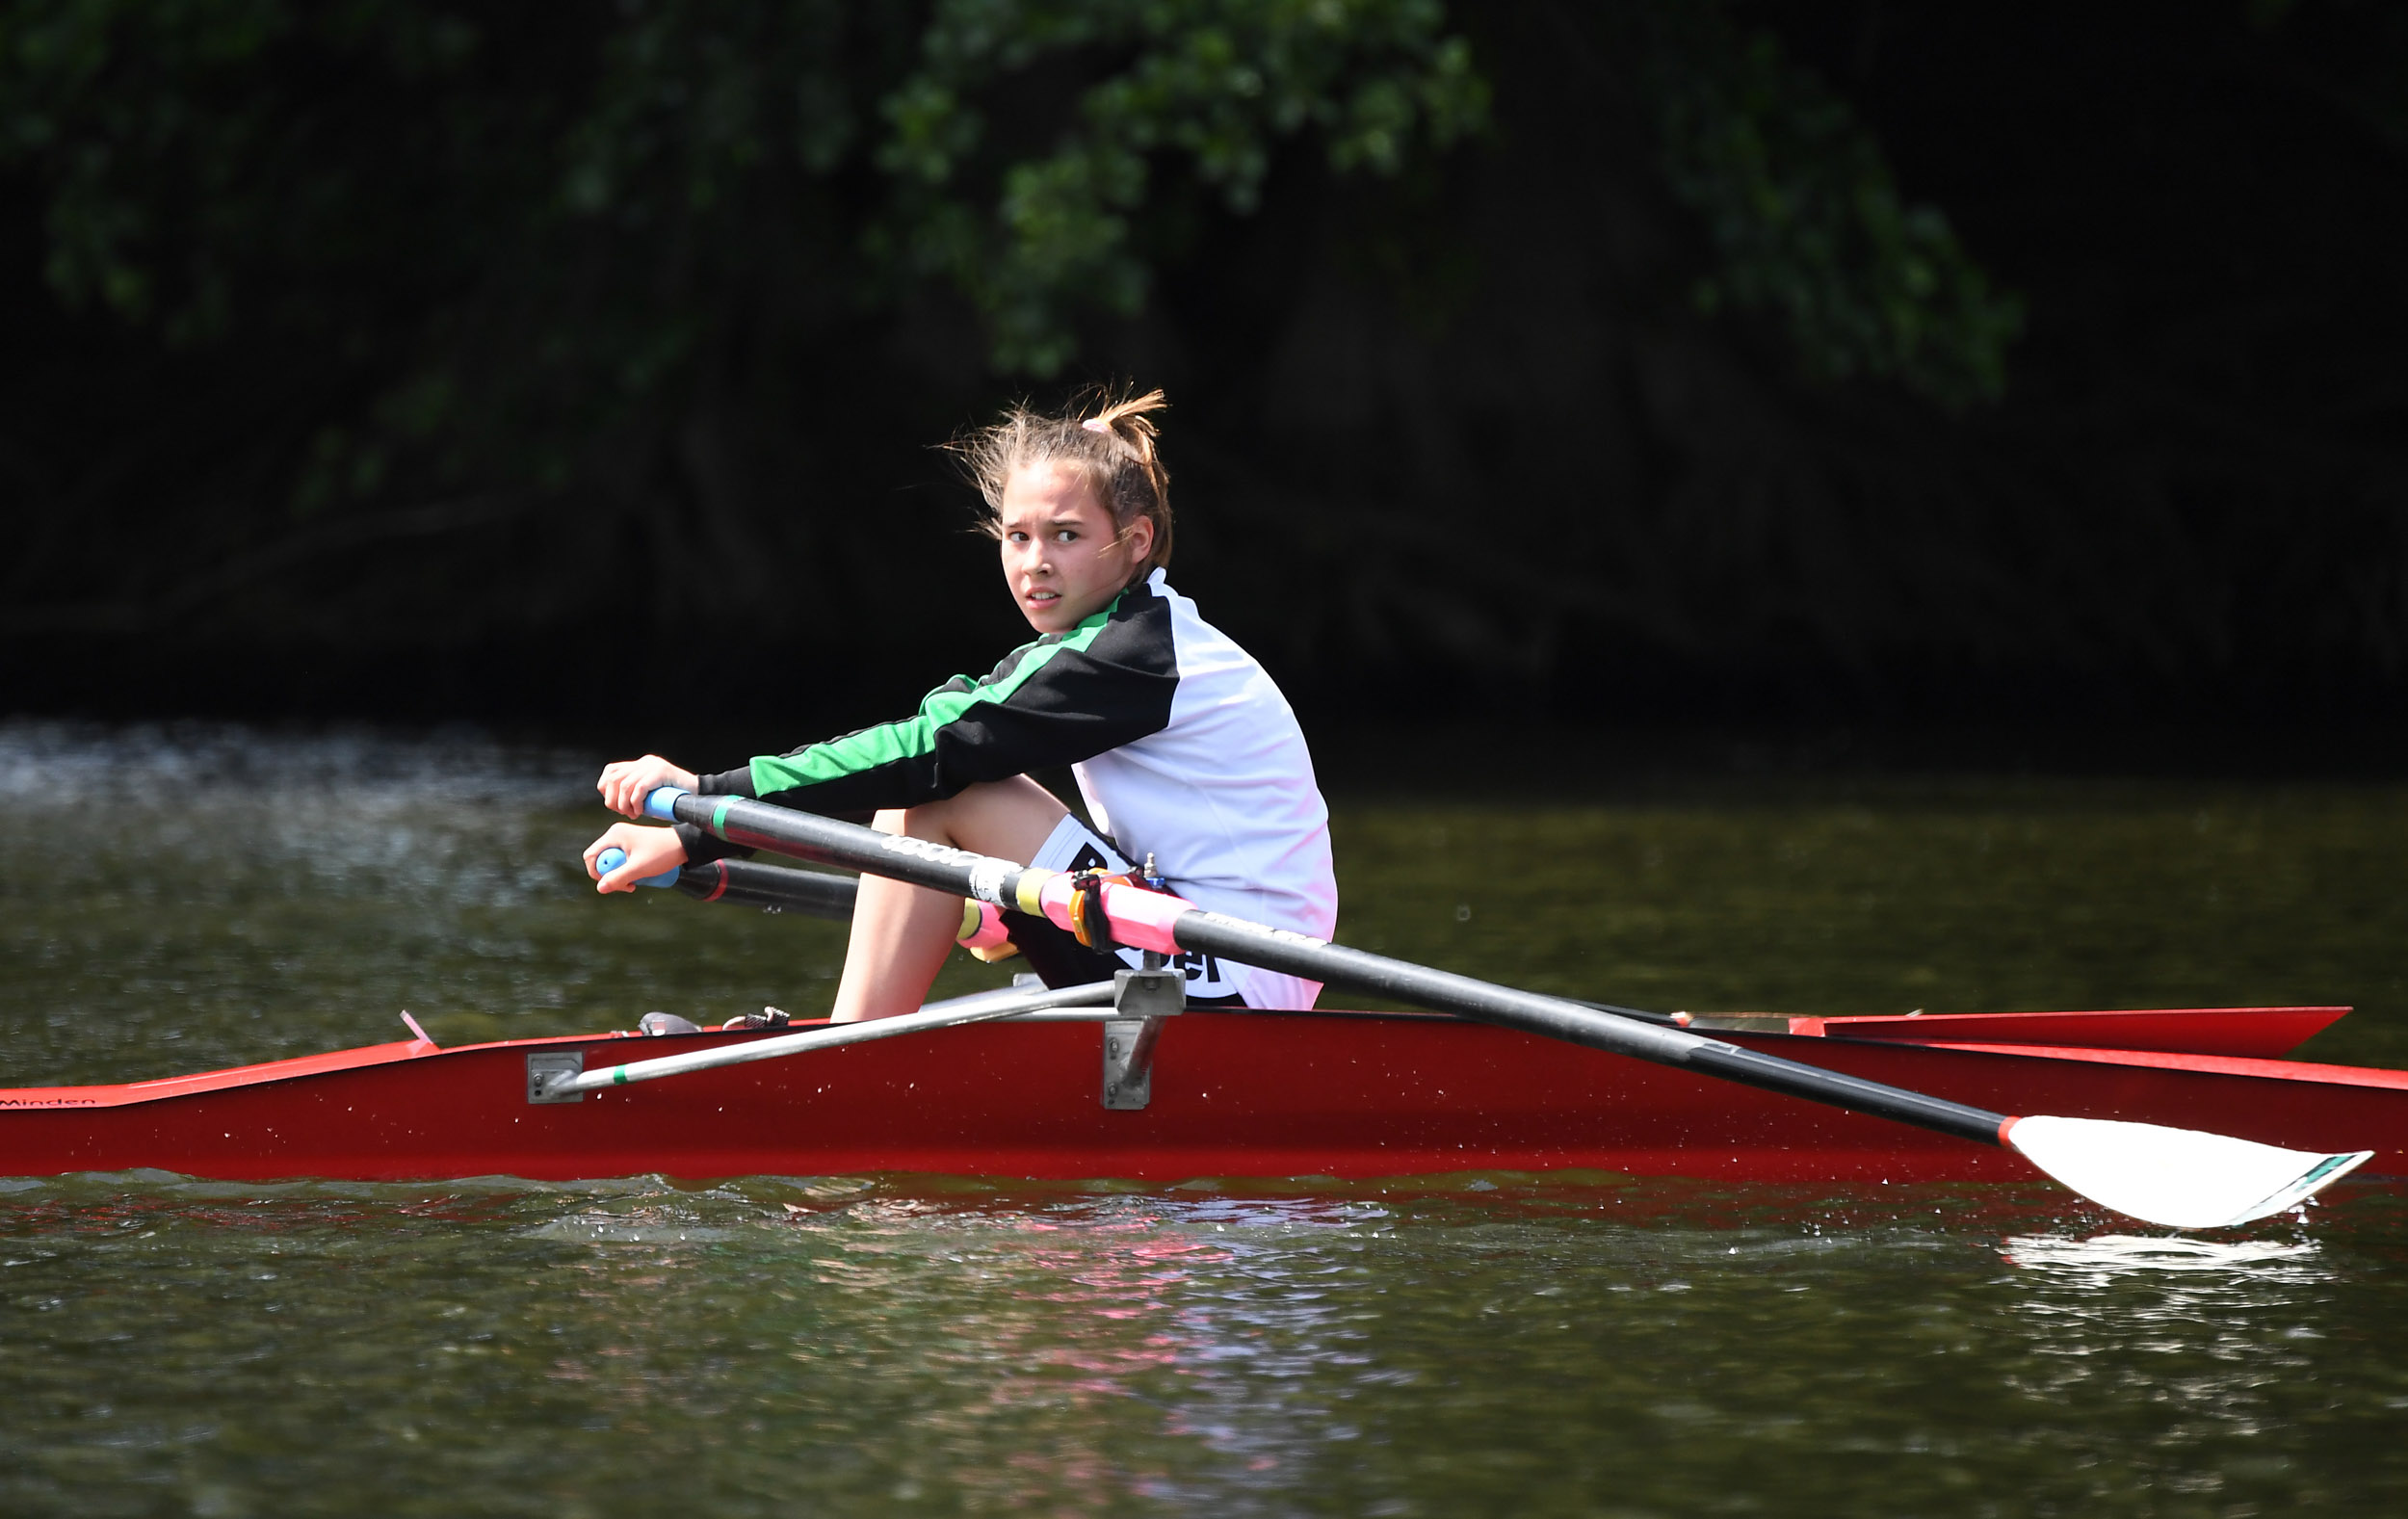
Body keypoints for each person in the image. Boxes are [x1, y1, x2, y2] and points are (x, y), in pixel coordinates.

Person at [583, 388, 1337, 1020]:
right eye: (1018, 536)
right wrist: (999, 908)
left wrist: (702, 814)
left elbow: (929, 751)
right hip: (1193, 942)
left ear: (1135, 541)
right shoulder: (1119, 640)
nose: (1035, 563)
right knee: (936, 803)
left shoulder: (1134, 656)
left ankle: (841, 1070)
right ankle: (859, 1047)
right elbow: (948, 726)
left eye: (1066, 536)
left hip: (1237, 979)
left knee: (937, 795)